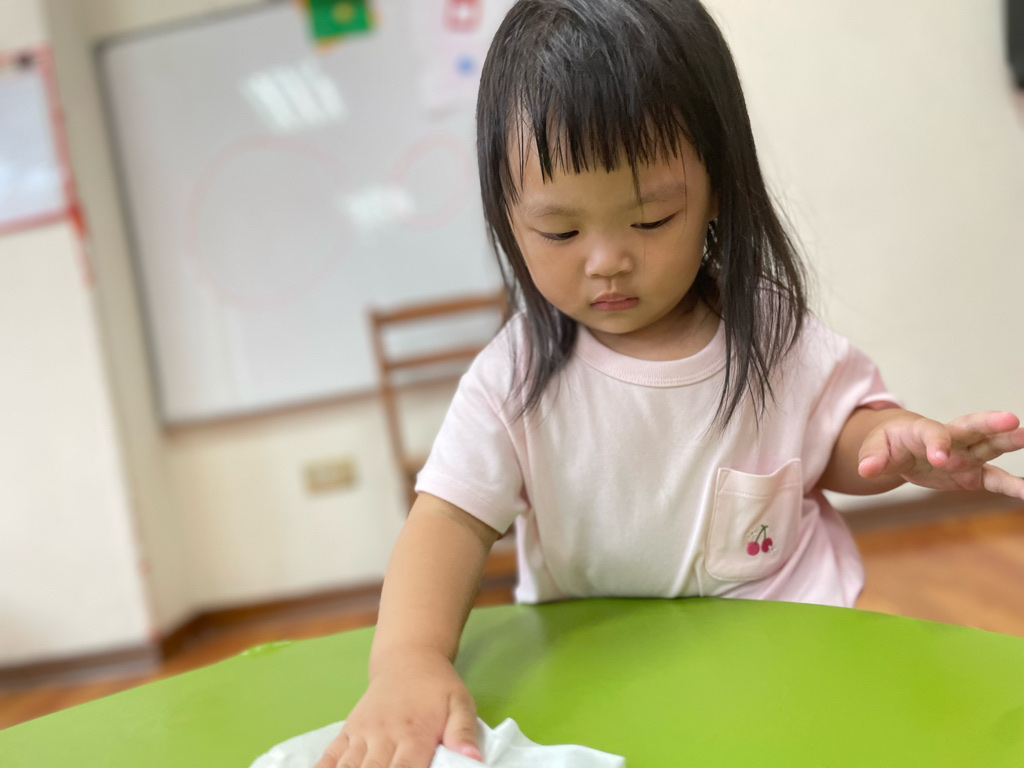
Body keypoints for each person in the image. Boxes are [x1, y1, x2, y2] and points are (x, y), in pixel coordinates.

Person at [316, 1, 1024, 766]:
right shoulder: (513, 380)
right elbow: (447, 522)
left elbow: (839, 440)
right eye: (561, 231)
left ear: (716, 186)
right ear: (507, 214)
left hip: (786, 658)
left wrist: (895, 444)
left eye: (650, 219)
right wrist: (409, 660)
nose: (607, 261)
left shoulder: (770, 335)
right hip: (604, 675)